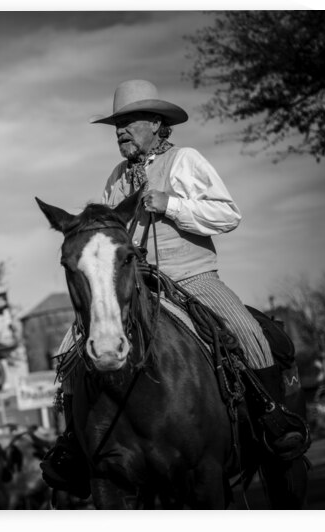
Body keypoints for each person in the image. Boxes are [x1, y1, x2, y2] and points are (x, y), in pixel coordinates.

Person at [40, 79, 307, 499]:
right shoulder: (115, 178)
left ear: (157, 123)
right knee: (69, 347)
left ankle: (274, 421)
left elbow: (227, 213)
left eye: (128, 122)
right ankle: (75, 443)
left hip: (194, 278)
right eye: (117, 124)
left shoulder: (186, 160)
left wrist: (171, 205)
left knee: (249, 331)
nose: (120, 131)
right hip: (139, 284)